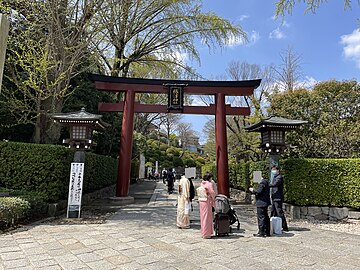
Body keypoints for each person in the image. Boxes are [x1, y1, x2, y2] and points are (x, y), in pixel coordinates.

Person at [269, 165, 289, 232]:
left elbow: (275, 184)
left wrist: (266, 184)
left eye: (274, 169)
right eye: (272, 170)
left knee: (279, 212)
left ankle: (284, 226)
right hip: (274, 197)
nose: (273, 171)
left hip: (278, 197)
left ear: (278, 170)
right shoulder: (275, 177)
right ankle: (272, 225)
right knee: (273, 211)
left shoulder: (279, 177)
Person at [197, 172, 216, 239]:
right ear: (209, 178)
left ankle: (203, 232)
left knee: (203, 217)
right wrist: (214, 197)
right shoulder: (209, 184)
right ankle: (207, 233)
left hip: (201, 201)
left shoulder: (202, 183)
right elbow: (212, 192)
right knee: (207, 217)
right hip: (207, 201)